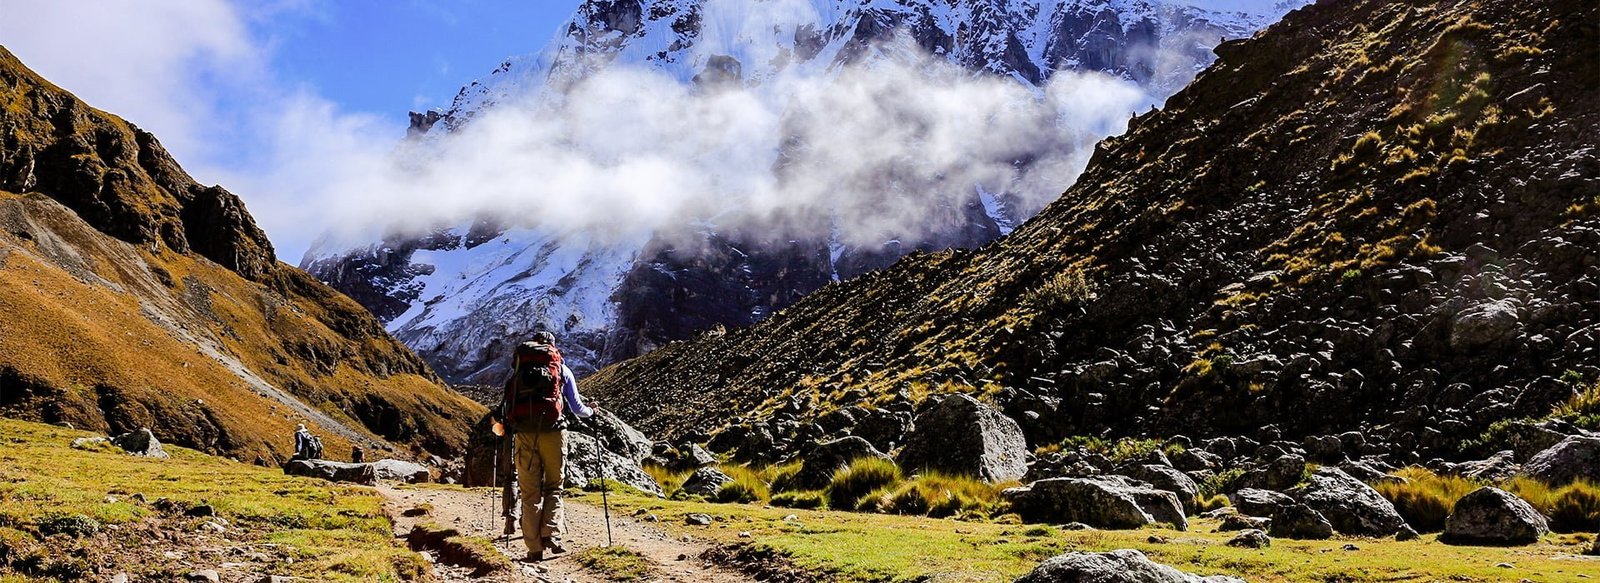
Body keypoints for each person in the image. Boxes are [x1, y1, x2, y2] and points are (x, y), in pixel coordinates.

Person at [504, 330, 594, 562]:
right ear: (553, 349)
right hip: (554, 433)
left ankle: (534, 549)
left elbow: (508, 404)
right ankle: (552, 534)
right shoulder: (561, 370)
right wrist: (592, 411)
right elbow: (577, 408)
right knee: (554, 486)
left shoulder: (519, 370)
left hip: (524, 435)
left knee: (530, 493)